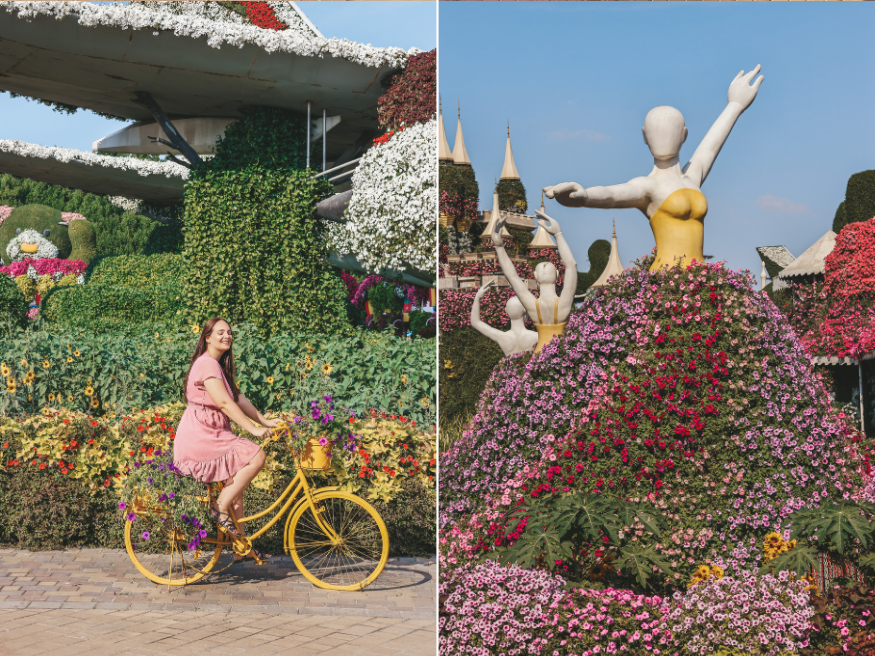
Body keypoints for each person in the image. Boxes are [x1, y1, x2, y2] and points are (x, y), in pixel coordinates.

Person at [544, 65, 764, 271]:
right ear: (644, 137)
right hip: (666, 285)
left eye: (670, 130)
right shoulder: (647, 186)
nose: (663, 137)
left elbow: (710, 146)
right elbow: (611, 194)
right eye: (655, 131)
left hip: (699, 286)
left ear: (684, 135)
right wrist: (583, 196)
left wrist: (735, 106)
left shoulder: (692, 177)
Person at [174, 317, 278, 562]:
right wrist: (253, 430)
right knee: (256, 455)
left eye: (230, 332)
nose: (227, 336)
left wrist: (263, 420)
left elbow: (237, 398)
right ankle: (219, 509)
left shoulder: (217, 365)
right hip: (201, 436)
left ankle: (242, 547)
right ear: (207, 337)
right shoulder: (207, 364)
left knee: (236, 490)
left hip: (213, 433)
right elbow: (223, 402)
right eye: (220, 332)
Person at [491, 210, 577, 353]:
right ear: (557, 274)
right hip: (562, 358)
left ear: (535, 276)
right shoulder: (562, 304)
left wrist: (499, 247)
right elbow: (571, 266)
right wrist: (558, 234)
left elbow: (512, 276)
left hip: (539, 359)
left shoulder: (533, 306)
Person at [470, 279, 537, 356]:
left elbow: (475, 322)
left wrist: (477, 298)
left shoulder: (502, 337)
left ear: (506, 311)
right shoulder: (536, 336)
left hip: (508, 368)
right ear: (525, 310)